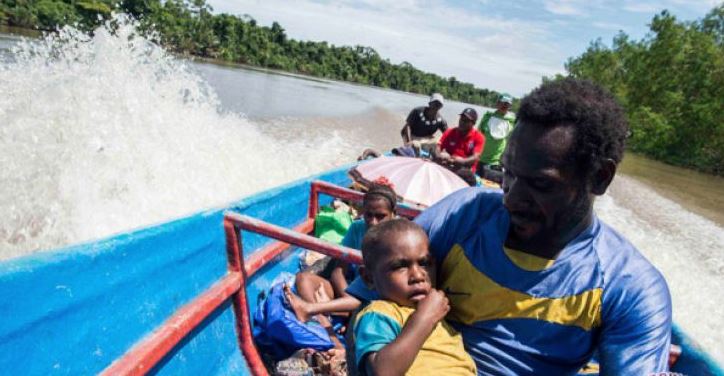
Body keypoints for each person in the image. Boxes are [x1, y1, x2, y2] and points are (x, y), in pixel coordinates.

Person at [412, 78, 672, 375]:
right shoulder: (463, 212)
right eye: (508, 174)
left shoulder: (629, 286)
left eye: (540, 184)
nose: (510, 200)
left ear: (600, 177)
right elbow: (374, 290)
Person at [352, 219, 476, 376]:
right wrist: (425, 317)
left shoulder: (440, 316)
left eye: (425, 263)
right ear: (369, 278)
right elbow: (383, 371)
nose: (418, 275)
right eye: (400, 266)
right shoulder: (380, 313)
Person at [286, 184, 398, 323]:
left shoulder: (399, 238)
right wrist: (346, 297)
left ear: (393, 213)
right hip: (352, 294)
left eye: (380, 216)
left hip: (378, 299)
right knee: (303, 279)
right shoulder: (357, 228)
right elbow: (338, 271)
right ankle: (325, 321)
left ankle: (321, 315)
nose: (373, 222)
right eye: (368, 215)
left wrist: (339, 304)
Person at [476, 93, 516, 183]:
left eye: (507, 104)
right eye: (502, 103)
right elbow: (478, 135)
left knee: (488, 185)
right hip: (479, 157)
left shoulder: (512, 121)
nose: (504, 105)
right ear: (497, 103)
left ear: (510, 106)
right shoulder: (487, 116)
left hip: (495, 162)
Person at [436, 108, 485, 173]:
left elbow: (475, 157)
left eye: (466, 121)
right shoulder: (449, 132)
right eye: (461, 119)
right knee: (442, 156)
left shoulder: (479, 137)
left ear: (473, 123)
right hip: (448, 164)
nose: (462, 122)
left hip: (465, 168)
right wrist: (439, 156)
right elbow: (438, 146)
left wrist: (463, 161)